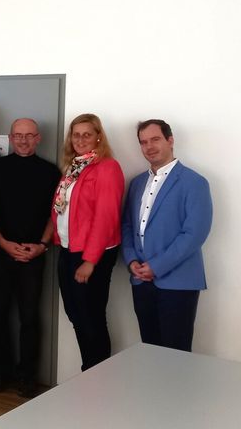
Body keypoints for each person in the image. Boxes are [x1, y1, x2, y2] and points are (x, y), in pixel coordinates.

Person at [0, 118, 61, 397]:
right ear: (10, 138)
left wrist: (42, 245)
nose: (24, 140)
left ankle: (27, 376)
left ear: (38, 138)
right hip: (1, 254)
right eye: (18, 135)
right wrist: (3, 243)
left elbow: (56, 213)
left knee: (29, 317)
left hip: (34, 255)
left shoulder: (51, 172)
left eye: (29, 135)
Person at [121, 119, 212, 351]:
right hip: (140, 280)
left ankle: (177, 390)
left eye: (155, 139)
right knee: (149, 350)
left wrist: (157, 265)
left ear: (170, 140)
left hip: (178, 282)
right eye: (143, 142)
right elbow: (128, 226)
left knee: (176, 353)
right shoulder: (137, 183)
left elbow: (194, 234)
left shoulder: (195, 182)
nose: (149, 146)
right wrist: (131, 259)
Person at [51, 113, 124, 371]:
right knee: (76, 314)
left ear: (98, 137)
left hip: (93, 254)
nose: (80, 139)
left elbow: (106, 217)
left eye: (87, 134)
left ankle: (97, 374)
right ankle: (89, 371)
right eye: (76, 134)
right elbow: (64, 210)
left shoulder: (107, 167)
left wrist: (90, 261)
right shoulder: (74, 167)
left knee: (91, 317)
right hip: (70, 250)